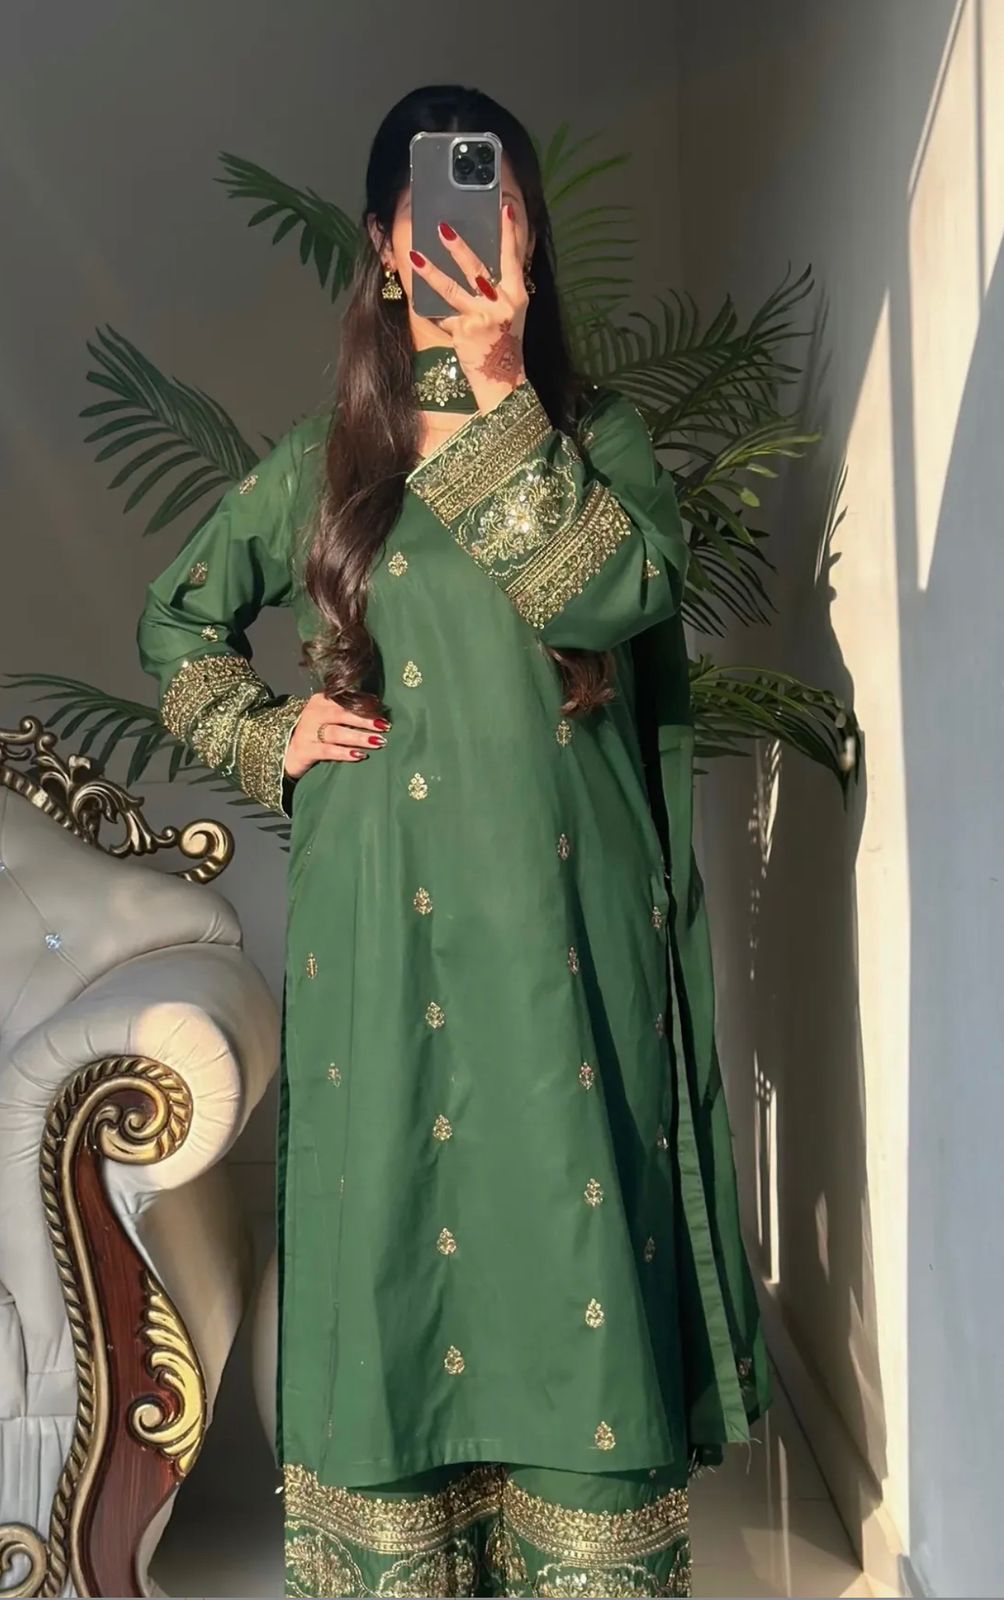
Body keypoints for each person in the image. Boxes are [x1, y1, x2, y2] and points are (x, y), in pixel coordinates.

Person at [136, 82, 771, 1600]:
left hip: (562, 933)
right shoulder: (325, 464)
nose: (476, 243)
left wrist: (495, 392)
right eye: (439, 219)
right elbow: (178, 623)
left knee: (568, 1230)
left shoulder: (599, 444)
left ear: (530, 243)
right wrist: (268, 735)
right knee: (394, 1241)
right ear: (383, 245)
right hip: (385, 928)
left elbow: (614, 597)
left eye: (502, 212)